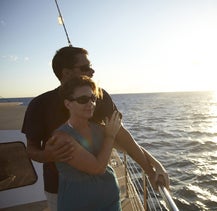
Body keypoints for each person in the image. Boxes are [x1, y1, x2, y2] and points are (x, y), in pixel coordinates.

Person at [22, 46, 169, 211]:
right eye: (85, 68)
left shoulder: (99, 96)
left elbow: (121, 136)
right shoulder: (39, 104)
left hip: (105, 193)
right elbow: (31, 149)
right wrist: (47, 155)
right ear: (66, 73)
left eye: (91, 67)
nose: (92, 71)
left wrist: (151, 171)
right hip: (60, 190)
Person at [55, 75, 122, 210]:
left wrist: (156, 165)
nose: (90, 103)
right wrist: (110, 136)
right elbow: (97, 168)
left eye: (93, 98)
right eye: (83, 99)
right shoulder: (61, 137)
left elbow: (127, 147)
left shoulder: (98, 128)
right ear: (68, 104)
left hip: (111, 203)